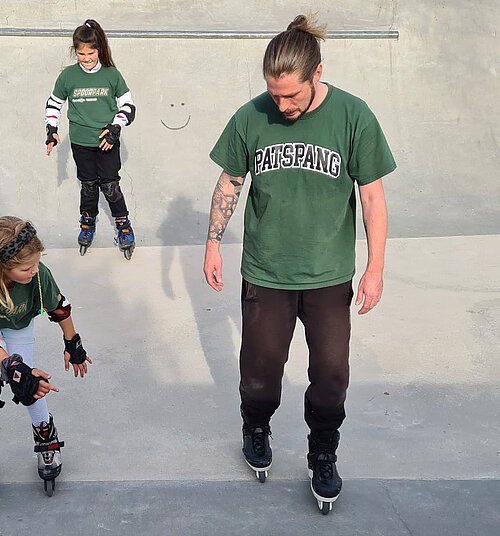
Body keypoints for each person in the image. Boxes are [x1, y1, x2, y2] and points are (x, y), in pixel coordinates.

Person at [203, 15, 395, 513]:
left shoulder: (353, 115)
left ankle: (323, 451)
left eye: (291, 95)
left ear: (316, 74)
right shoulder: (252, 116)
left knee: (332, 375)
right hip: (266, 272)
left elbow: (372, 197)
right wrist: (211, 244)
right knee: (261, 373)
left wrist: (375, 268)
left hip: (329, 275)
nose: (281, 105)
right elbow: (229, 183)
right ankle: (257, 426)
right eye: (274, 95)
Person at [0, 216, 92, 510]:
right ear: (2, 266)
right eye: (25, 268)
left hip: (19, 322)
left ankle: (45, 432)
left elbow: (59, 308)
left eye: (36, 264)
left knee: (29, 386)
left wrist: (73, 342)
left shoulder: (38, 274)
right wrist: (13, 368)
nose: (33, 271)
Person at [44, 19, 138, 259]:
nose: (86, 58)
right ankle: (88, 221)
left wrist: (116, 127)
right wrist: (51, 129)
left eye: (91, 53)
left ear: (100, 50)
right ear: (75, 51)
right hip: (81, 141)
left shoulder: (111, 74)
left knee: (110, 185)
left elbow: (128, 105)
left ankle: (123, 224)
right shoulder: (68, 76)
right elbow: (54, 103)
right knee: (88, 186)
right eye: (81, 53)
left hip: (107, 139)